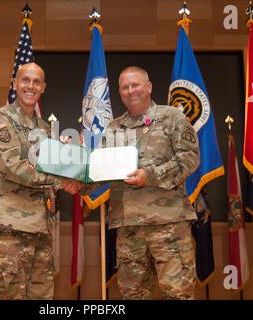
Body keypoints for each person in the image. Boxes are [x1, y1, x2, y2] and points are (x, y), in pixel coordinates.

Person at [0, 62, 80, 300]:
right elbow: (12, 166)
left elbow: (63, 168)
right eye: (25, 80)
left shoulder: (45, 130)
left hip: (40, 229)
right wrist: (60, 182)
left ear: (43, 88)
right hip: (8, 229)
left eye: (36, 82)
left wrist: (82, 173)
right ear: (15, 83)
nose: (30, 86)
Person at [101, 66, 200, 299]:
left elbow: (190, 158)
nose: (130, 91)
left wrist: (150, 175)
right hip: (129, 229)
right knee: (133, 296)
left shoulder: (172, 117)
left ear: (149, 87)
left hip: (170, 226)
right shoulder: (114, 128)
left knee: (179, 295)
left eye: (135, 85)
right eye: (124, 87)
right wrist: (76, 181)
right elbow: (102, 170)